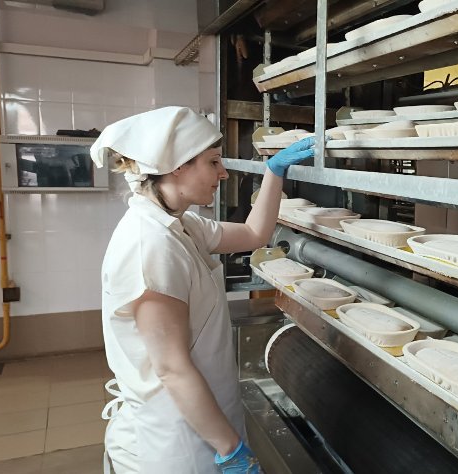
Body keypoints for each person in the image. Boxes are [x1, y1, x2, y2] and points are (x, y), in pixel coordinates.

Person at [93, 106, 314, 473]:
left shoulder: (180, 225)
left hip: (200, 418)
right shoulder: (150, 245)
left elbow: (253, 234)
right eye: (213, 162)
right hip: (174, 439)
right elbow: (172, 368)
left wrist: (273, 172)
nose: (223, 173)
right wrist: (231, 451)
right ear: (178, 166)